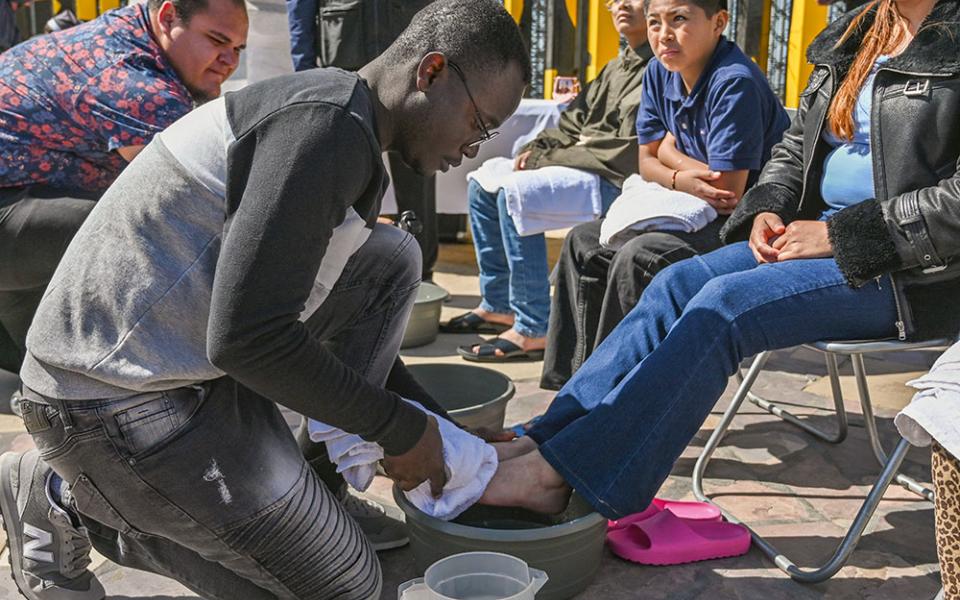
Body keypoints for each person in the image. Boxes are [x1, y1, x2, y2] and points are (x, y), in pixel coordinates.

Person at [0, 0, 530, 598]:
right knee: (345, 586)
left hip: (181, 366)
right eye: (480, 123)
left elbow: (307, 320)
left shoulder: (346, 125)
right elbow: (251, 339)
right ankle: (69, 497)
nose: (474, 148)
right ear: (431, 73)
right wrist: (402, 431)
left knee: (389, 260)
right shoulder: (322, 129)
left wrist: (437, 426)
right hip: (103, 400)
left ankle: (301, 499)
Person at [479, 0, 960, 522]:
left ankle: (564, 476)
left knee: (723, 306)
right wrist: (768, 207)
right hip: (816, 236)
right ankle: (548, 437)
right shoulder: (859, 33)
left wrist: (840, 235)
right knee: (674, 283)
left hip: (915, 270)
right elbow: (796, 147)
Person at [539, 0, 789, 388]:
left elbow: (726, 190)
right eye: (654, 22)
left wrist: (669, 155)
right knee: (582, 243)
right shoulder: (658, 72)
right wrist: (680, 176)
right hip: (687, 204)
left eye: (679, 20)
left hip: (747, 223)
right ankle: (572, 390)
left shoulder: (732, 81)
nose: (663, 35)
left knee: (639, 257)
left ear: (718, 22)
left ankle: (614, 396)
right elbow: (646, 161)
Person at [0, 0, 249, 377]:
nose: (228, 61)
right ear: (167, 17)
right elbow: (210, 199)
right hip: (15, 212)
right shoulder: (138, 87)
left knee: (46, 369)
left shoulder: (129, 33)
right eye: (217, 40)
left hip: (24, 201)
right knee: (142, 233)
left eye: (237, 49)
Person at [448, 0, 652, 362]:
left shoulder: (658, 67)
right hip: (586, 167)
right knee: (484, 182)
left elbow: (625, 151)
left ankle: (533, 325)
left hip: (618, 182)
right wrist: (539, 145)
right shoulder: (616, 66)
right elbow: (573, 122)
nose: (619, 5)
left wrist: (549, 156)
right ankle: (499, 304)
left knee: (516, 193)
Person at [286, 0, 441, 280]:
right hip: (345, 69)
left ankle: (419, 275)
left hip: (412, 70)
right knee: (346, 181)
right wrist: (306, 70)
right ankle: (337, 274)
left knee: (417, 174)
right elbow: (301, 7)